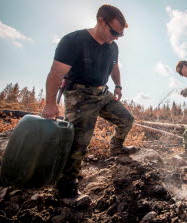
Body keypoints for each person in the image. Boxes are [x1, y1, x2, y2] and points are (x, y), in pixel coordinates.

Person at [41, 5, 135, 199]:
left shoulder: (113, 46)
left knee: (126, 119)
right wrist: (50, 103)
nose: (116, 37)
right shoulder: (73, 41)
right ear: (101, 21)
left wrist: (118, 86)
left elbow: (114, 67)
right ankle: (66, 188)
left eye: (120, 35)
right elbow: (56, 73)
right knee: (79, 142)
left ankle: (116, 147)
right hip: (80, 95)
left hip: (103, 93)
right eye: (114, 32)